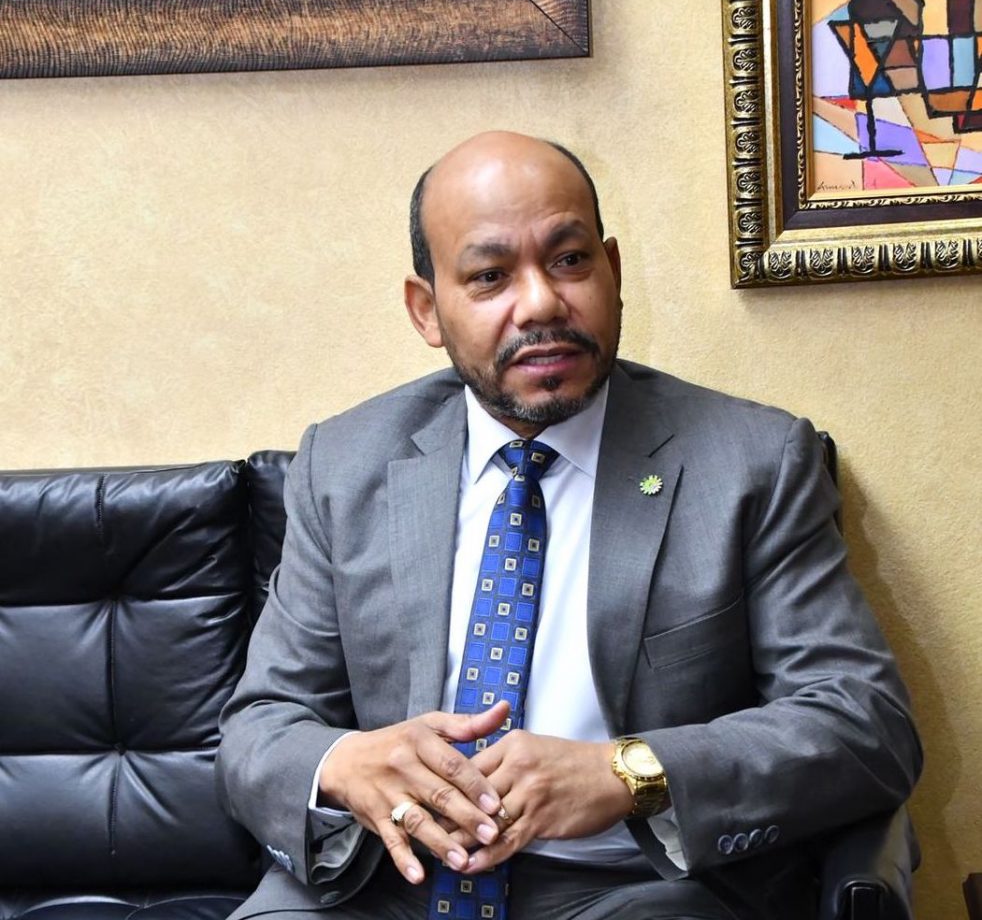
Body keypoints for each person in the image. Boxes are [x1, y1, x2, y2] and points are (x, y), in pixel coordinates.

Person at [216, 131, 922, 920]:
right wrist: (345, 762)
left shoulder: (750, 462)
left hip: (634, 888)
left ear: (612, 271)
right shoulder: (345, 464)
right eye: (490, 276)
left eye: (570, 260)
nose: (542, 304)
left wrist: (631, 772)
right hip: (386, 884)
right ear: (426, 309)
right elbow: (259, 727)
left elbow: (864, 723)